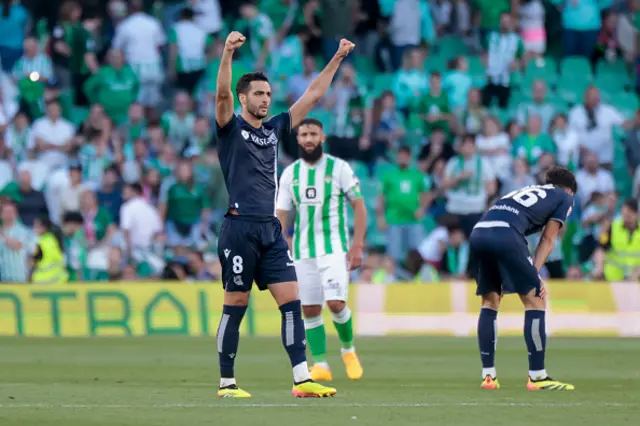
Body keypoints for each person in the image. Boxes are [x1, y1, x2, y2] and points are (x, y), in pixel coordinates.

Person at [213, 31, 353, 398]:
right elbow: (222, 94)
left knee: (292, 302)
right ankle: (227, 382)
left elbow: (314, 95)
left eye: (268, 94)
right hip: (239, 228)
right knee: (236, 303)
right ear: (244, 98)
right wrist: (227, 53)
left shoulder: (275, 129)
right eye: (258, 94)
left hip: (271, 231)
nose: (265, 99)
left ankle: (302, 378)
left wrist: (337, 57)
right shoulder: (230, 128)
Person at [469, 165, 578, 391]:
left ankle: (488, 376)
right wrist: (535, 276)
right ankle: (538, 377)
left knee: (490, 301)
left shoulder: (524, 190)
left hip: (480, 231)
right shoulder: (563, 197)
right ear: (570, 191)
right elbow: (548, 240)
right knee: (535, 298)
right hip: (505, 233)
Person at [276, 118, 367, 382]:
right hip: (303, 252)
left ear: (322, 138)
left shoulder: (340, 169)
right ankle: (321, 365)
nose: (308, 139)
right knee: (310, 309)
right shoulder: (290, 173)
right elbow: (281, 214)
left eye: (313, 134)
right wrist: (279, 245)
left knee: (336, 303)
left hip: (334, 249)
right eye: (304, 134)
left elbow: (359, 207)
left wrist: (357, 245)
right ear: (298, 139)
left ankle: (348, 351)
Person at [32, 216, 68, 284]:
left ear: (44, 228)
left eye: (36, 226)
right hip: (59, 281)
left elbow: (32, 262)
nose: (34, 229)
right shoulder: (55, 240)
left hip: (43, 282)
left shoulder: (41, 243)